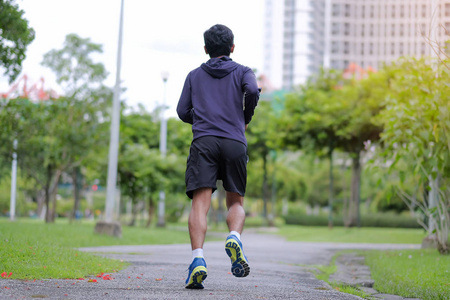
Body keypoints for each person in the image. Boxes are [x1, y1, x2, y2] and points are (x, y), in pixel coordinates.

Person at [177, 24, 260, 289]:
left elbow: (182, 111)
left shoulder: (194, 75)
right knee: (235, 201)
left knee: (200, 203)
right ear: (232, 48)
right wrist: (244, 118)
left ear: (206, 49)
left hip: (204, 142)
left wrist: (201, 119)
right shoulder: (243, 71)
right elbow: (254, 91)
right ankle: (234, 235)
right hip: (235, 141)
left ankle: (198, 260)